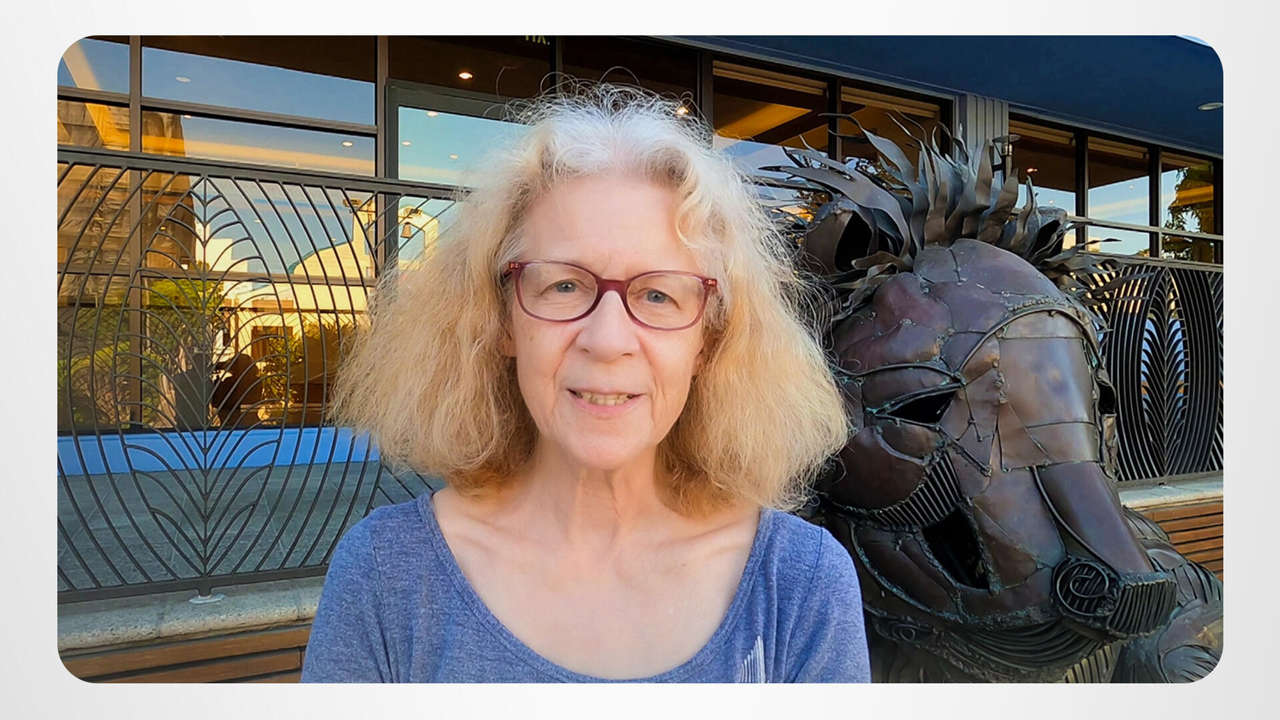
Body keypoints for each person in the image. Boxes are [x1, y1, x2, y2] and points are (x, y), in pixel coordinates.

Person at [301, 84, 870, 683]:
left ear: (708, 340)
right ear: (501, 321)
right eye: (564, 285)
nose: (607, 339)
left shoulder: (800, 584)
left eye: (658, 294)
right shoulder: (386, 574)